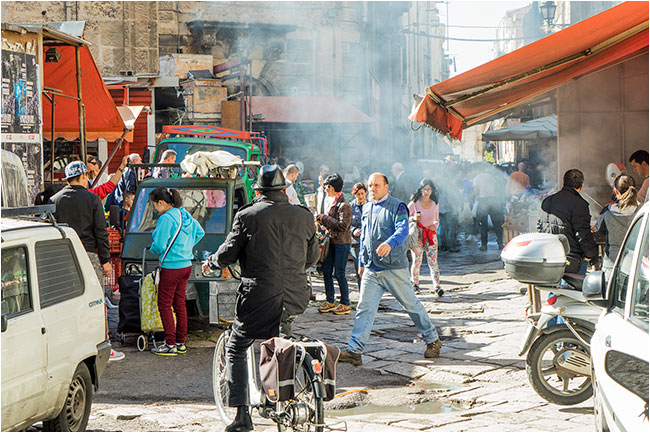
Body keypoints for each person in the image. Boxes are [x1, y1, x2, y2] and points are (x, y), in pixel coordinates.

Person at [202, 165, 319, 432]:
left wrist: (212, 262)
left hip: (259, 295)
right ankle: (277, 397)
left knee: (237, 346)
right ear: (284, 189)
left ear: (257, 190)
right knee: (281, 340)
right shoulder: (304, 216)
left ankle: (242, 416)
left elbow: (228, 255)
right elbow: (312, 259)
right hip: (296, 294)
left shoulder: (248, 215)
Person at [339, 173, 443, 366]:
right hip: (372, 268)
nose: (372, 189)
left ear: (387, 187)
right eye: (370, 185)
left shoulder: (398, 206)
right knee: (364, 308)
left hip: (394, 268)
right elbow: (365, 236)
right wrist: (361, 261)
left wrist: (390, 242)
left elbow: (402, 229)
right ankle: (355, 350)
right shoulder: (367, 207)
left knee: (410, 305)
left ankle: (433, 339)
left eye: (376, 185)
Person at [50, 161, 124, 361]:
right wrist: (106, 260)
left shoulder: (54, 199)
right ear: (83, 176)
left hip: (63, 256)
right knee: (95, 300)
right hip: (89, 255)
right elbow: (101, 231)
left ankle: (68, 346)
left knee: (66, 300)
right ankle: (102, 345)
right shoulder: (92, 199)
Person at [149, 187, 205, 356]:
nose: (154, 209)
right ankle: (180, 342)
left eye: (154, 205)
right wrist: (186, 247)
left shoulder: (166, 218)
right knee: (180, 304)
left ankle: (170, 343)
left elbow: (159, 245)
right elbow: (200, 232)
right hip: (186, 265)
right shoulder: (184, 214)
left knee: (164, 305)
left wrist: (154, 249)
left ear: (161, 203)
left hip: (171, 267)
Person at [537, 169, 600, 274]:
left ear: (563, 182)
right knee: (571, 289)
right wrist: (591, 255)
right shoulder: (580, 204)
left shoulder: (547, 201)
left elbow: (540, 228)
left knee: (556, 288)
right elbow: (582, 235)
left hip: (549, 256)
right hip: (571, 259)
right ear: (581, 186)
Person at [316, 173, 353, 315]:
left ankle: (345, 303)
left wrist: (324, 218)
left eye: (326, 186)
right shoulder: (331, 201)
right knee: (326, 271)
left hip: (342, 243)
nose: (324, 189)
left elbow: (343, 226)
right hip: (331, 241)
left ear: (331, 187)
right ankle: (330, 300)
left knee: (339, 273)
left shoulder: (345, 205)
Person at [407, 179, 443, 297]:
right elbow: (404, 218)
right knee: (417, 261)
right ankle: (415, 284)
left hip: (431, 235)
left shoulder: (435, 203)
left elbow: (436, 219)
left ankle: (437, 286)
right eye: (424, 189)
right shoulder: (414, 203)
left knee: (433, 261)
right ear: (420, 190)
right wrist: (413, 219)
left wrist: (435, 226)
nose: (426, 192)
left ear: (432, 191)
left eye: (429, 189)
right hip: (417, 235)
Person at [595, 174, 638, 271]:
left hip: (612, 265)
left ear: (616, 191)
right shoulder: (642, 211)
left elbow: (598, 231)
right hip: (636, 265)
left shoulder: (607, 211)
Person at [472, 165, 505, 251]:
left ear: (477, 170)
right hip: (493, 200)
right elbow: (497, 189)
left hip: (483, 201)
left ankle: (484, 245)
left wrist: (468, 197)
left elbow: (476, 192)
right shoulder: (491, 177)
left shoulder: (476, 178)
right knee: (497, 223)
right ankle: (500, 243)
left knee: (483, 225)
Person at [350, 182, 367, 288]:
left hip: (368, 240)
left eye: (362, 193)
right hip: (356, 241)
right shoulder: (351, 206)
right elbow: (346, 224)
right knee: (358, 269)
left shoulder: (371, 205)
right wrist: (353, 230)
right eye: (358, 194)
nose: (360, 196)